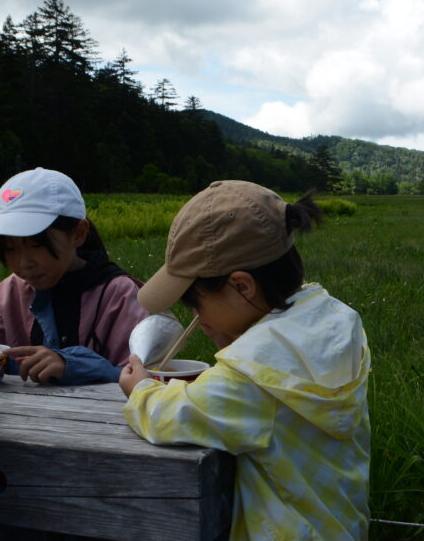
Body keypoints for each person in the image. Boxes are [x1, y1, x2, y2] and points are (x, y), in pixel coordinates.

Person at [119, 180, 371, 540]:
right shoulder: (335, 321)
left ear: (241, 287)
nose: (196, 316)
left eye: (196, 303)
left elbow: (172, 416)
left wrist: (141, 388)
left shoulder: (251, 379)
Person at [0, 167, 148, 385]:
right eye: (10, 248)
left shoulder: (119, 295)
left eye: (36, 244)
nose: (24, 264)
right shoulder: (6, 296)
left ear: (79, 233)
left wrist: (74, 365)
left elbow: (146, 380)